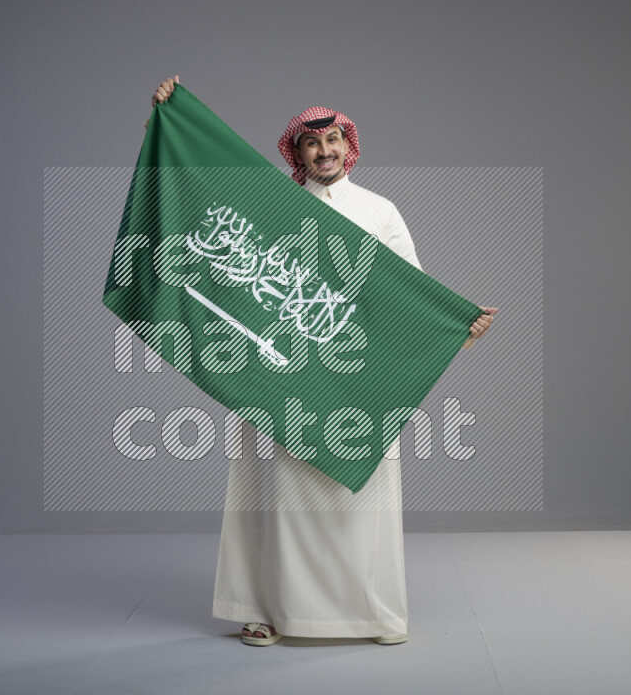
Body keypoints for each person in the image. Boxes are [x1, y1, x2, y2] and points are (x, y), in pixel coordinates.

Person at [148, 76, 498, 646]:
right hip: (279, 373)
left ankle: (375, 613)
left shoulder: (381, 210)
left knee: (362, 502)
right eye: (312, 143)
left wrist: (458, 325)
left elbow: (412, 291)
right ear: (296, 152)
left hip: (355, 379)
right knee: (274, 496)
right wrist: (167, 125)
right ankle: (266, 609)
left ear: (348, 145)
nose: (325, 151)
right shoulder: (271, 206)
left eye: (333, 139)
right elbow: (199, 194)